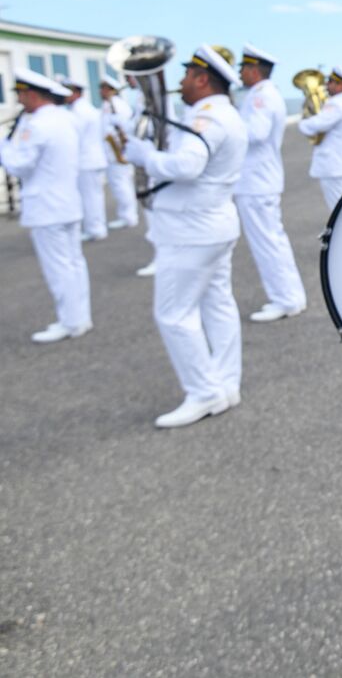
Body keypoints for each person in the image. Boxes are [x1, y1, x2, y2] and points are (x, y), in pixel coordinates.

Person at [124, 45, 248, 428]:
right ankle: (225, 385)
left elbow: (187, 165)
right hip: (211, 224)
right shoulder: (222, 113)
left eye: (184, 76)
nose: (178, 83)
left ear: (201, 78)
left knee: (174, 314)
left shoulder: (207, 116)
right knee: (218, 305)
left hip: (191, 230)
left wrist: (144, 155)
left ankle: (205, 393)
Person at [1, 69, 93, 343]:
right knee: (75, 263)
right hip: (68, 202)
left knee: (59, 268)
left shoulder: (37, 125)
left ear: (31, 94)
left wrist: (3, 148)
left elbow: (19, 165)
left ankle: (70, 322)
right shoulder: (66, 118)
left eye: (20, 94)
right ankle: (81, 317)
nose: (20, 101)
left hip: (45, 206)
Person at [235, 45, 308, 322]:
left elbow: (257, 132)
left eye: (243, 68)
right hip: (259, 180)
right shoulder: (263, 94)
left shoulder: (260, 97)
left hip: (256, 181)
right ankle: (292, 297)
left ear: (254, 70)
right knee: (274, 241)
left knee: (267, 244)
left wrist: (229, 124)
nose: (240, 73)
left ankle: (284, 300)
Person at [298, 65, 342, 211]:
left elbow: (315, 125)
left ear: (340, 85)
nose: (326, 85)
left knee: (340, 210)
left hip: (335, 166)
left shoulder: (336, 104)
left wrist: (303, 122)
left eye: (330, 81)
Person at [57, 75, 109, 241]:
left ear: (76, 92)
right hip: (90, 159)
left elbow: (72, 138)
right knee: (93, 196)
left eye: (68, 91)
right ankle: (96, 226)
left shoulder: (79, 111)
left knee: (89, 197)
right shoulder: (83, 109)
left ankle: (95, 229)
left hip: (86, 160)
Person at [98, 74, 141, 230]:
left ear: (110, 90)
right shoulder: (107, 105)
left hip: (118, 151)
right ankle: (126, 215)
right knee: (119, 185)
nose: (101, 91)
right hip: (111, 152)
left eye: (103, 88)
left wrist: (120, 144)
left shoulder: (118, 105)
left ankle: (129, 216)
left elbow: (126, 128)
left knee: (121, 184)